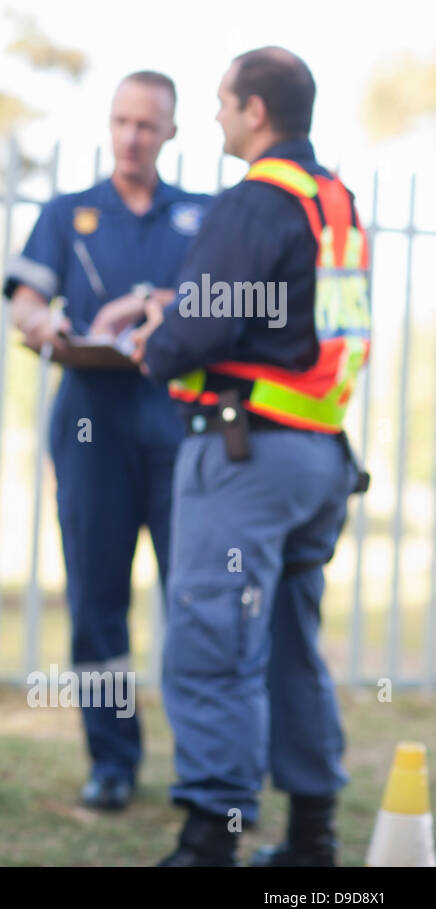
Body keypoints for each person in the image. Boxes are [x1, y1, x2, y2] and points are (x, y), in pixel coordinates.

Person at [131, 47, 370, 866]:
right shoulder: (333, 202)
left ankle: (209, 843)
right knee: (289, 646)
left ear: (256, 111)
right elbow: (297, 326)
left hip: (246, 460)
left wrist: (154, 341)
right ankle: (313, 839)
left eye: (224, 102)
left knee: (213, 642)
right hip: (319, 457)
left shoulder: (253, 202)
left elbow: (197, 333)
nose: (218, 116)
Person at [3, 71, 211, 810]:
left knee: (197, 597)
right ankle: (113, 760)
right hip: (91, 429)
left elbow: (228, 301)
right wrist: (44, 326)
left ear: (171, 131)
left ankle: (207, 766)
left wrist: (155, 305)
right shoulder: (69, 213)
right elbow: (27, 302)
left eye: (147, 125)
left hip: (180, 429)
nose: (132, 136)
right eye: (121, 121)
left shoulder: (203, 214)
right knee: (97, 600)